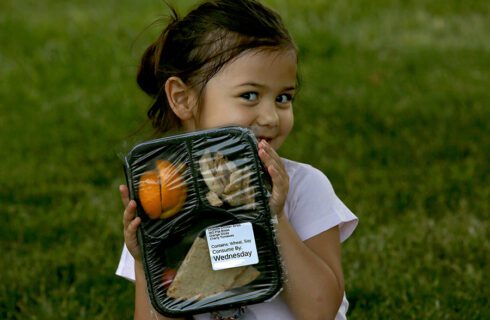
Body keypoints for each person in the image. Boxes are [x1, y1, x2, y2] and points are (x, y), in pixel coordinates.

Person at [116, 0, 358, 319]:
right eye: (250, 95)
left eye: (283, 98)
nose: (271, 116)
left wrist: (274, 217)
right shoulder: (162, 204)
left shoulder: (304, 187)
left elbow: (320, 311)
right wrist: (146, 262)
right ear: (182, 99)